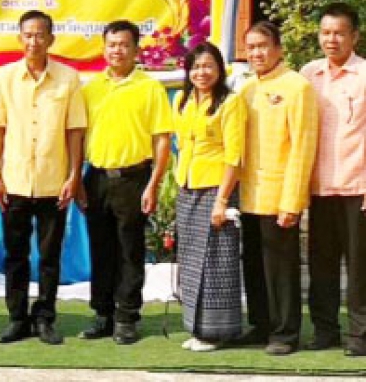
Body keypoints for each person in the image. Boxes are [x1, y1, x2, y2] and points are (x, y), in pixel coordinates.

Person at [0, 10, 87, 345]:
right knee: (15, 256)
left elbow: (75, 131)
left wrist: (74, 175)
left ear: (51, 39)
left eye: (40, 35)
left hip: (53, 182)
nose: (34, 41)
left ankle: (45, 317)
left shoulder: (68, 79)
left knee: (49, 255)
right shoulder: (4, 77)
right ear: (20, 39)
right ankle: (17, 318)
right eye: (28, 35)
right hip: (15, 180)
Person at [79, 20, 172, 345]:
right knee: (100, 249)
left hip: (134, 178)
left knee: (130, 250)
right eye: (111, 44)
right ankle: (102, 314)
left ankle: (126, 316)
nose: (117, 50)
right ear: (104, 48)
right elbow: (77, 137)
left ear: (136, 49)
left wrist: (153, 184)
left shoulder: (150, 88)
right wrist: (77, 180)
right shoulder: (91, 88)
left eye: (124, 45)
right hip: (97, 178)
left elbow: (162, 140)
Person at [236, 21, 318, 355]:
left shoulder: (297, 86)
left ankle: (285, 332)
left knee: (281, 270)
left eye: (263, 46)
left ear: (279, 49)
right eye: (251, 47)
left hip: (279, 195)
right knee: (254, 265)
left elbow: (303, 146)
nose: (256, 53)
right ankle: (260, 325)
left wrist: (292, 201)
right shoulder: (245, 88)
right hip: (249, 194)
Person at [300, 3, 365, 357]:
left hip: (358, 186)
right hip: (319, 187)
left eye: (339, 32)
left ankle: (360, 335)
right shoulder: (308, 74)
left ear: (354, 36)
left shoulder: (365, 75)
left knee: (359, 267)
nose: (332, 39)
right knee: (321, 264)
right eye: (326, 32)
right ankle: (325, 331)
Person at [172, 42, 246, 352]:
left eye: (208, 66)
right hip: (188, 185)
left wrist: (222, 200)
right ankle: (196, 327)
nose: (202, 72)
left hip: (217, 188)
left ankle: (216, 332)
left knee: (215, 261)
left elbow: (235, 156)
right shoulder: (181, 99)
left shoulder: (231, 103)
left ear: (220, 69)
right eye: (196, 67)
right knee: (190, 261)